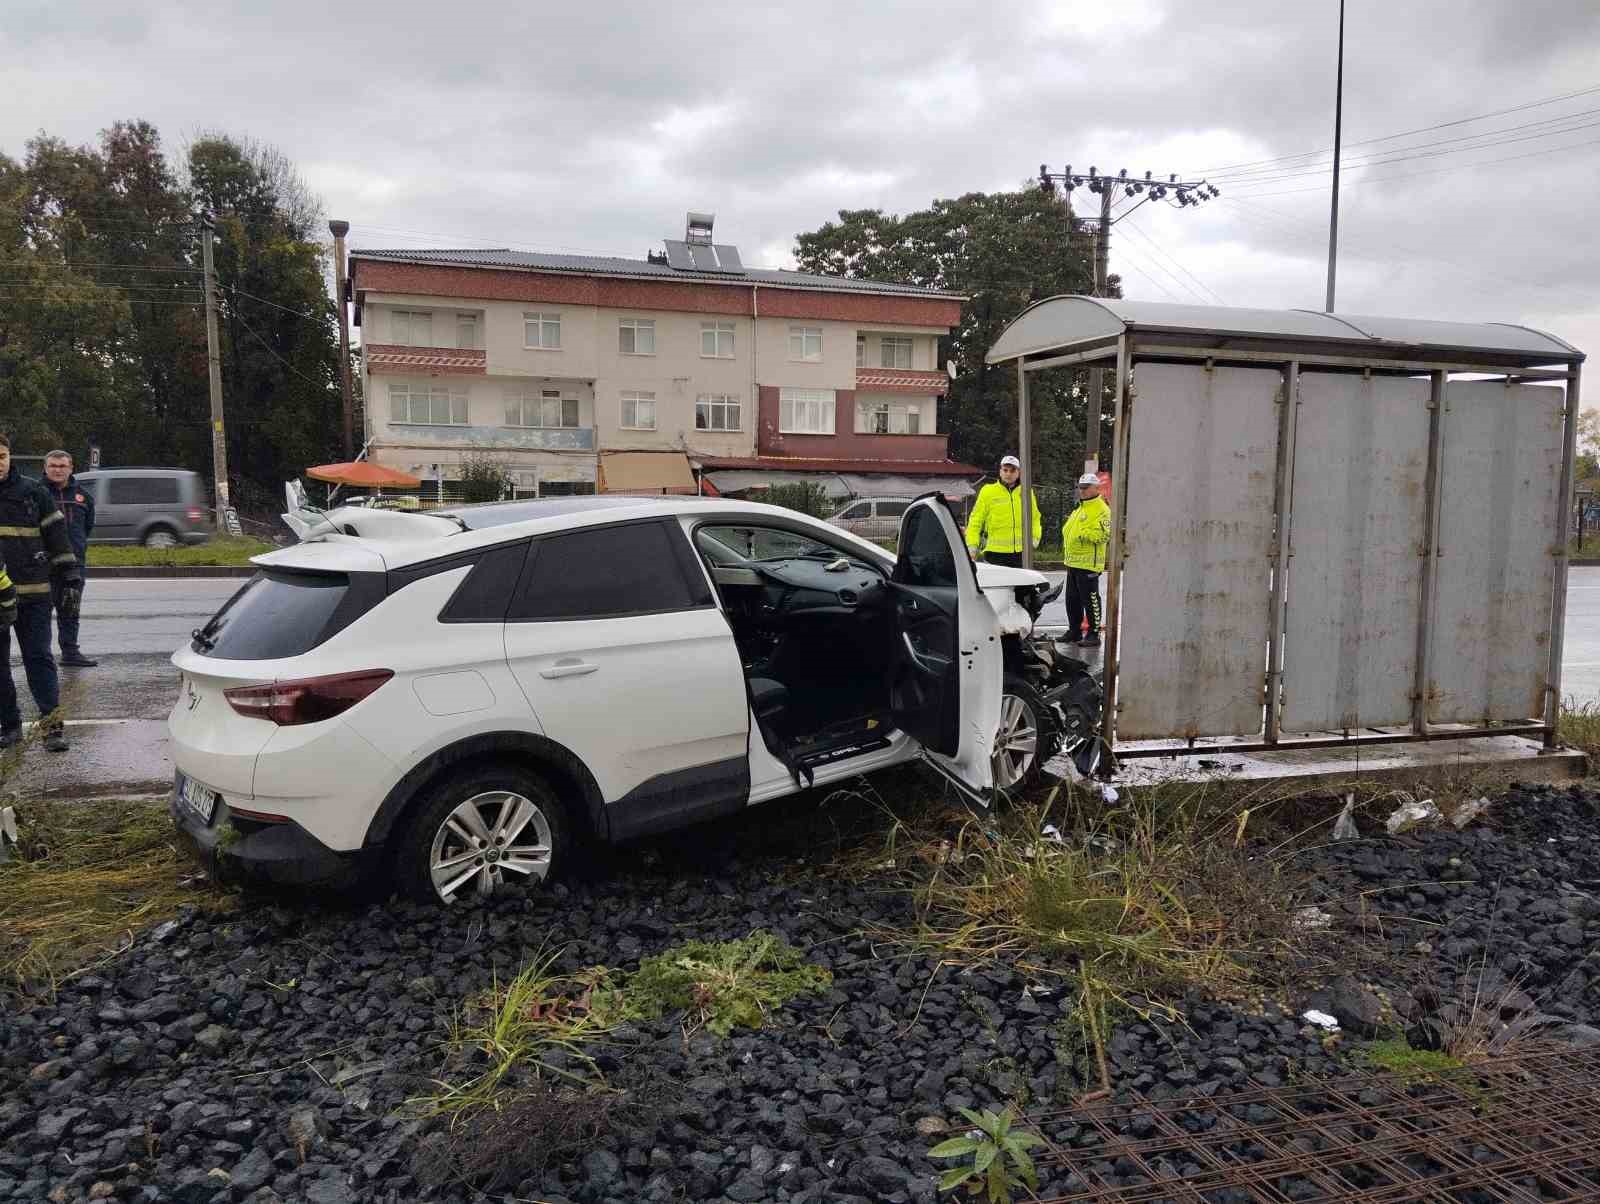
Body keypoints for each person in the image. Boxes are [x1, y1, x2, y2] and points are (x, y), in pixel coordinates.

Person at [0, 434, 83, 752]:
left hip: (33, 595)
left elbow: (57, 536)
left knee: (39, 660)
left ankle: (52, 729)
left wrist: (70, 575)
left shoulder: (33, 492)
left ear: (10, 456)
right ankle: (9, 727)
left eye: (2, 456)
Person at [42, 450, 96, 667]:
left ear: (71, 468)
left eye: (62, 466)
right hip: (43, 565)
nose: (57, 470)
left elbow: (87, 527)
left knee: (70, 609)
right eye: (53, 466)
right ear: (45, 468)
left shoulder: (83, 497)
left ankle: (70, 652)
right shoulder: (36, 493)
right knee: (41, 613)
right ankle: (41, 656)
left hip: (75, 565)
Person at [1061, 471, 1111, 647]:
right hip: (1073, 562)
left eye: (1085, 488)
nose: (1081, 491)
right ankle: (1074, 631)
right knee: (1072, 600)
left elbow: (1104, 535)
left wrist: (1083, 534)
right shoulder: (1080, 507)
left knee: (1090, 599)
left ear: (1096, 488)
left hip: (1089, 563)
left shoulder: (1102, 509)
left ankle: (1093, 634)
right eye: (1080, 487)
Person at [964, 455, 1041, 568]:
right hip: (994, 553)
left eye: (1012, 470)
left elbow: (1034, 518)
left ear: (1018, 472)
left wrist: (1034, 539)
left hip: (1021, 552)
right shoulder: (988, 491)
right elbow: (975, 520)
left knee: (1023, 585)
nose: (1008, 474)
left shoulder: (1026, 492)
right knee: (998, 585)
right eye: (1005, 470)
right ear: (1000, 471)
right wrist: (972, 546)